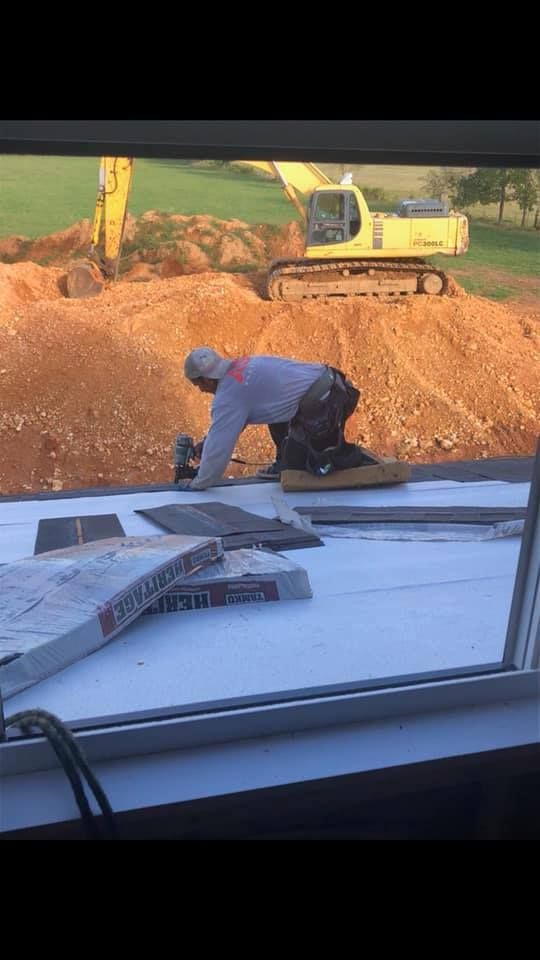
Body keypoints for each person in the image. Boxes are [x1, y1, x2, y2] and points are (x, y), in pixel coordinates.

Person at [182, 346, 367, 490]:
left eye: (198, 385)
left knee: (303, 469)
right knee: (272, 409)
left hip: (327, 405)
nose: (202, 390)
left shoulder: (228, 396)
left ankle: (346, 461)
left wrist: (199, 483)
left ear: (205, 380)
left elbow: (220, 446)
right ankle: (287, 460)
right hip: (335, 386)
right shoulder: (242, 366)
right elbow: (230, 425)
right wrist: (206, 444)